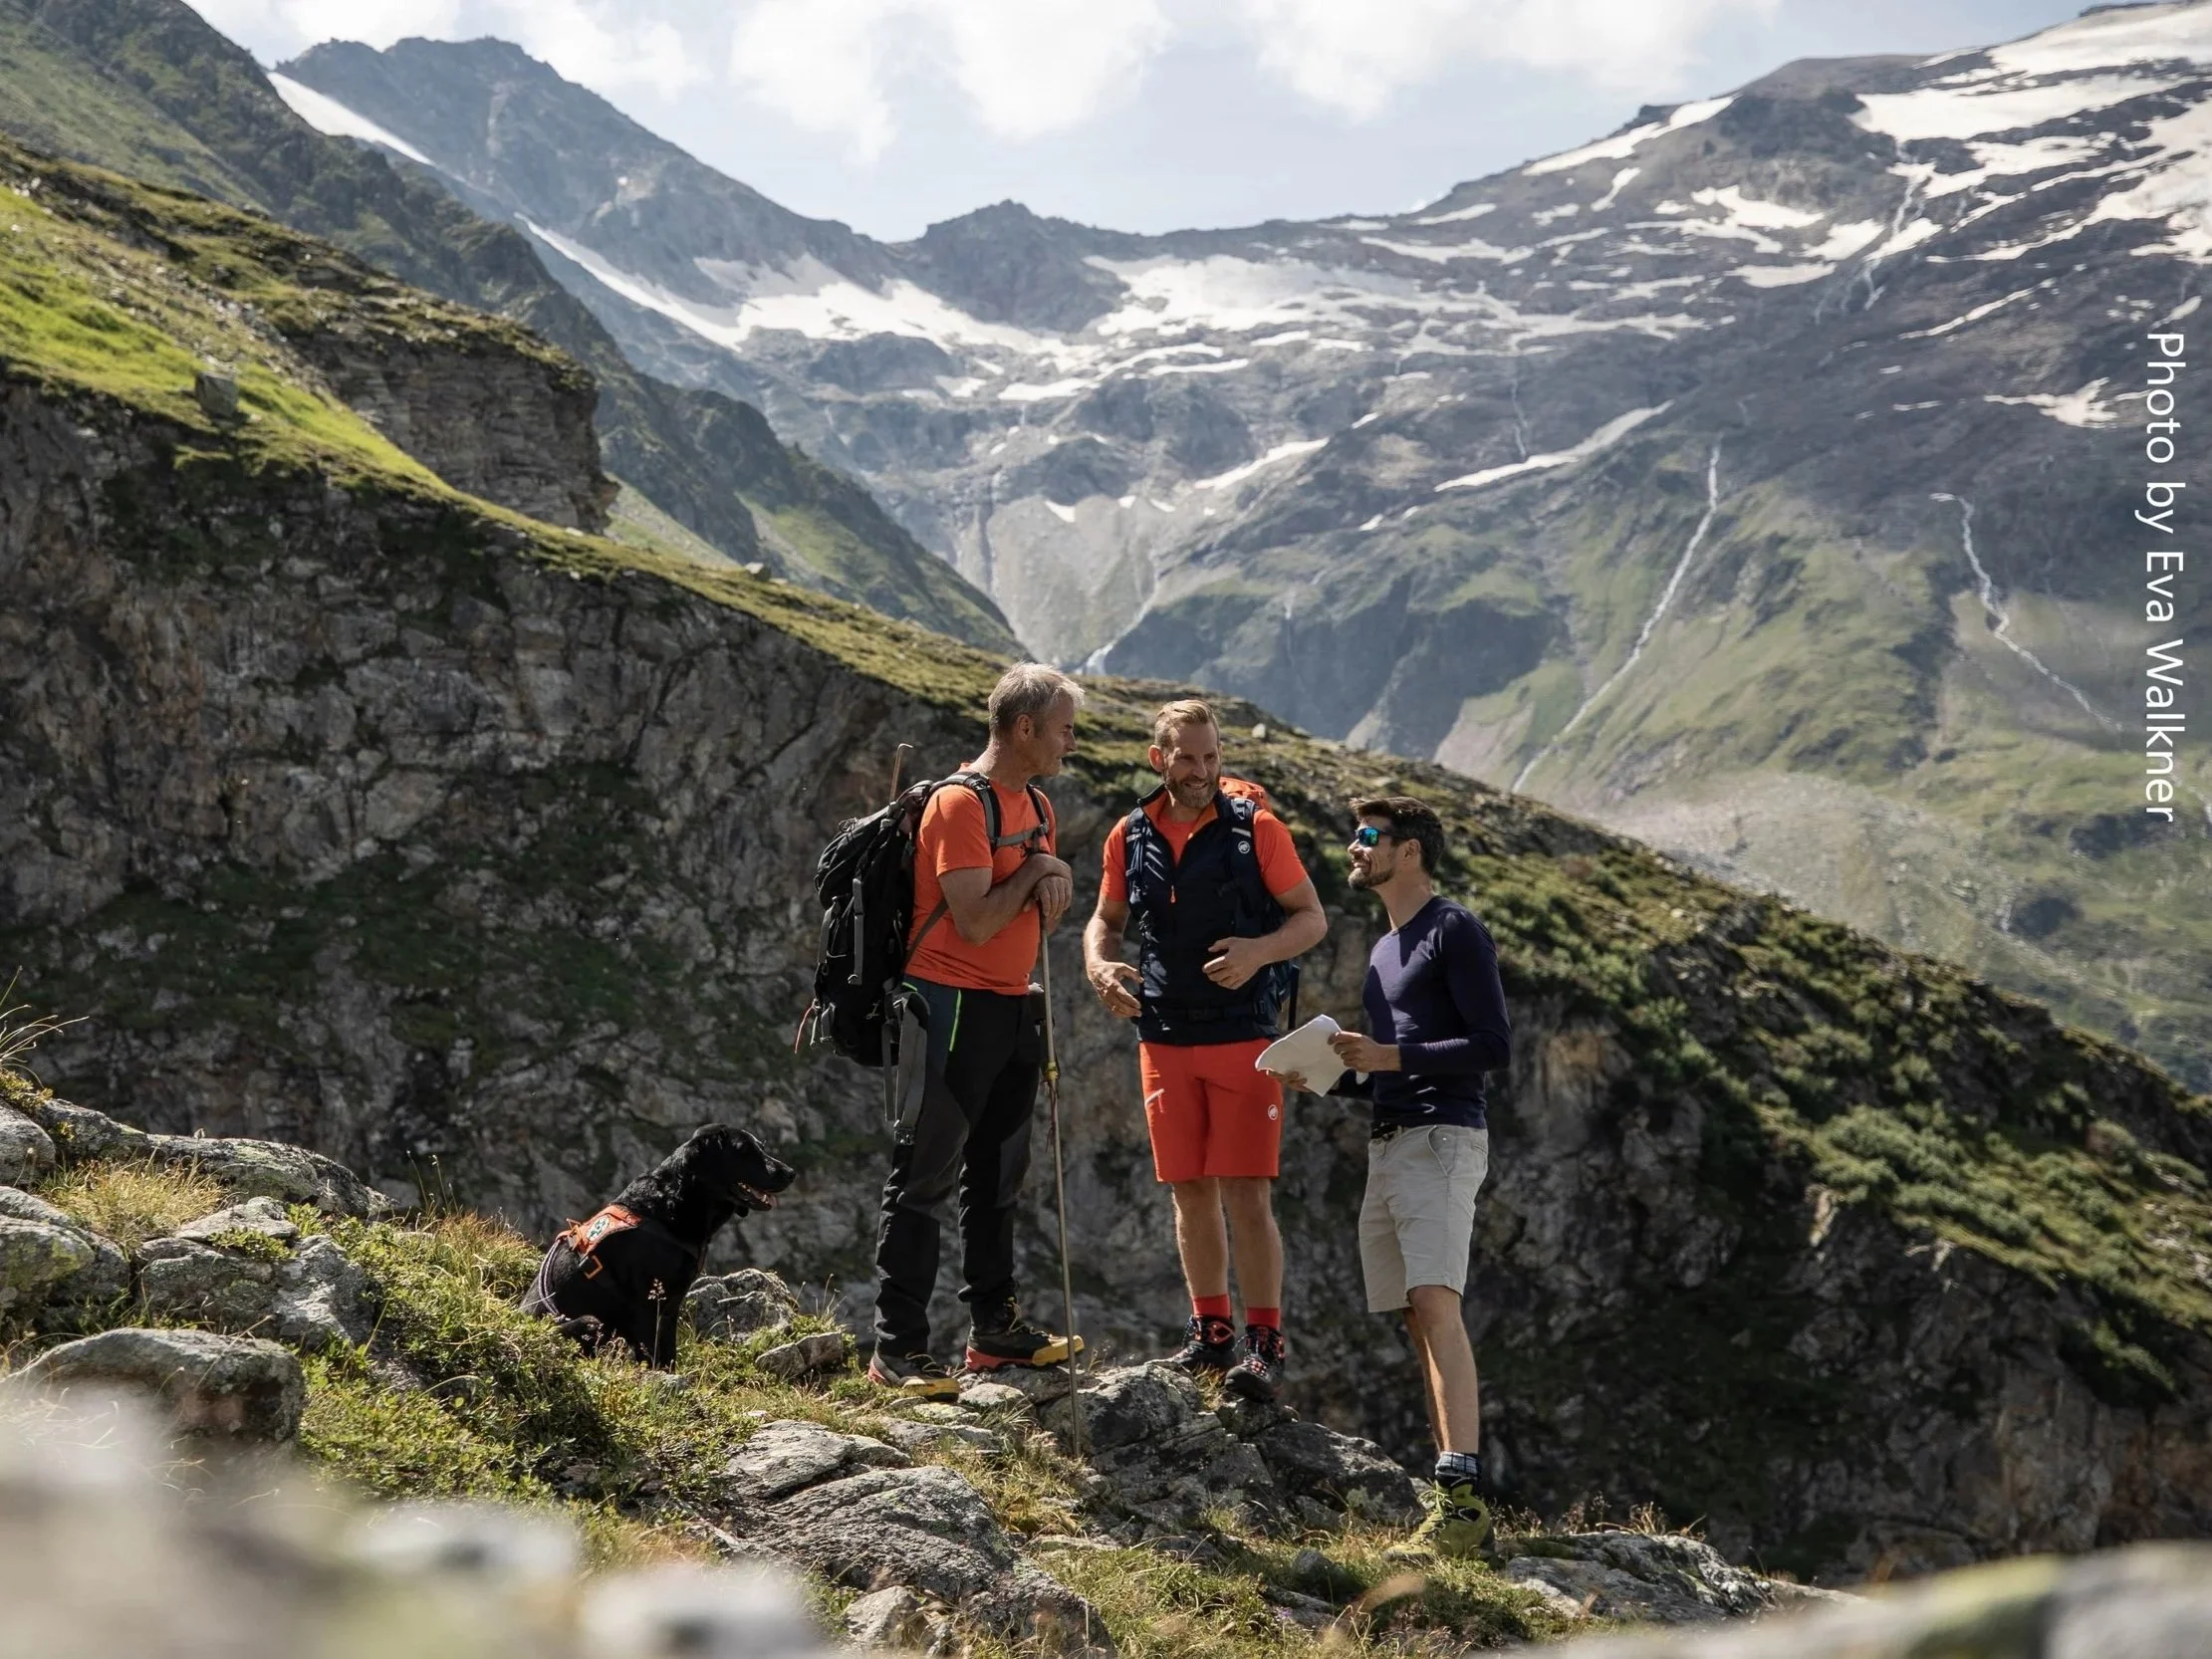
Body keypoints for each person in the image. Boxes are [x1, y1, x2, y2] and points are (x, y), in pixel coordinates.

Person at [1266, 796, 1510, 1558]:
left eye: (1368, 837)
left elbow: (1491, 1045)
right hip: (1392, 1137)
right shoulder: (1382, 950)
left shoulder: (1452, 928)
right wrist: (1333, 1080)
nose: (1352, 847)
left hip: (1442, 1138)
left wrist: (1390, 1057)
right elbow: (1387, 1069)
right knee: (1416, 1313)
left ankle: (1464, 1496)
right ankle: (1454, 1498)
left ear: (1409, 852)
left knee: (1437, 1302)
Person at [1083, 700, 1328, 1400]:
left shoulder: (1258, 830)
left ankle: (1265, 1342)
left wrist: (1258, 951)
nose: (1201, 771)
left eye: (1211, 757)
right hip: (1161, 1036)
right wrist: (1100, 968)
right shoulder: (1128, 835)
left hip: (1244, 1037)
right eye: (1186, 758)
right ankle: (1210, 1334)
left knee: (1247, 1192)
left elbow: (1310, 917)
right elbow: (1105, 921)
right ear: (1157, 759)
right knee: (1187, 1191)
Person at [866, 663, 1085, 1399]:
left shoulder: (1037, 806)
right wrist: (1037, 872)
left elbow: (1038, 908)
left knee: (997, 1175)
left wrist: (1043, 877)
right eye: (1062, 729)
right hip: (947, 1004)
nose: (1070, 742)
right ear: (1023, 728)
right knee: (924, 1177)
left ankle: (994, 1332)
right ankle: (897, 1348)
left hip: (1009, 1006)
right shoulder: (961, 805)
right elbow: (977, 916)